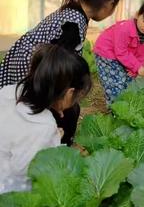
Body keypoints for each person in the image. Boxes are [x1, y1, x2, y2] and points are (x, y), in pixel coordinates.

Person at [0, 0, 122, 144]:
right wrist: (56, 101)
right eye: (115, 5)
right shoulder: (72, 26)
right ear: (109, 4)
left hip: (24, 61)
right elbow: (56, 67)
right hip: (31, 69)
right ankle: (57, 149)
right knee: (67, 112)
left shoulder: (75, 7)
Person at [0, 45, 91, 194]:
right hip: (9, 194)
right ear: (69, 93)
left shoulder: (8, 92)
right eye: (77, 97)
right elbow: (25, 170)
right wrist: (54, 140)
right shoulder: (44, 126)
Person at [94, 0, 144, 105]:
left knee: (128, 80)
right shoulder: (125, 29)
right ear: (137, 15)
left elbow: (143, 51)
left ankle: (125, 106)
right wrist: (136, 66)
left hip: (123, 55)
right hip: (107, 52)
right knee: (115, 83)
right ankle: (115, 109)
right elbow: (121, 52)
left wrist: (136, 67)